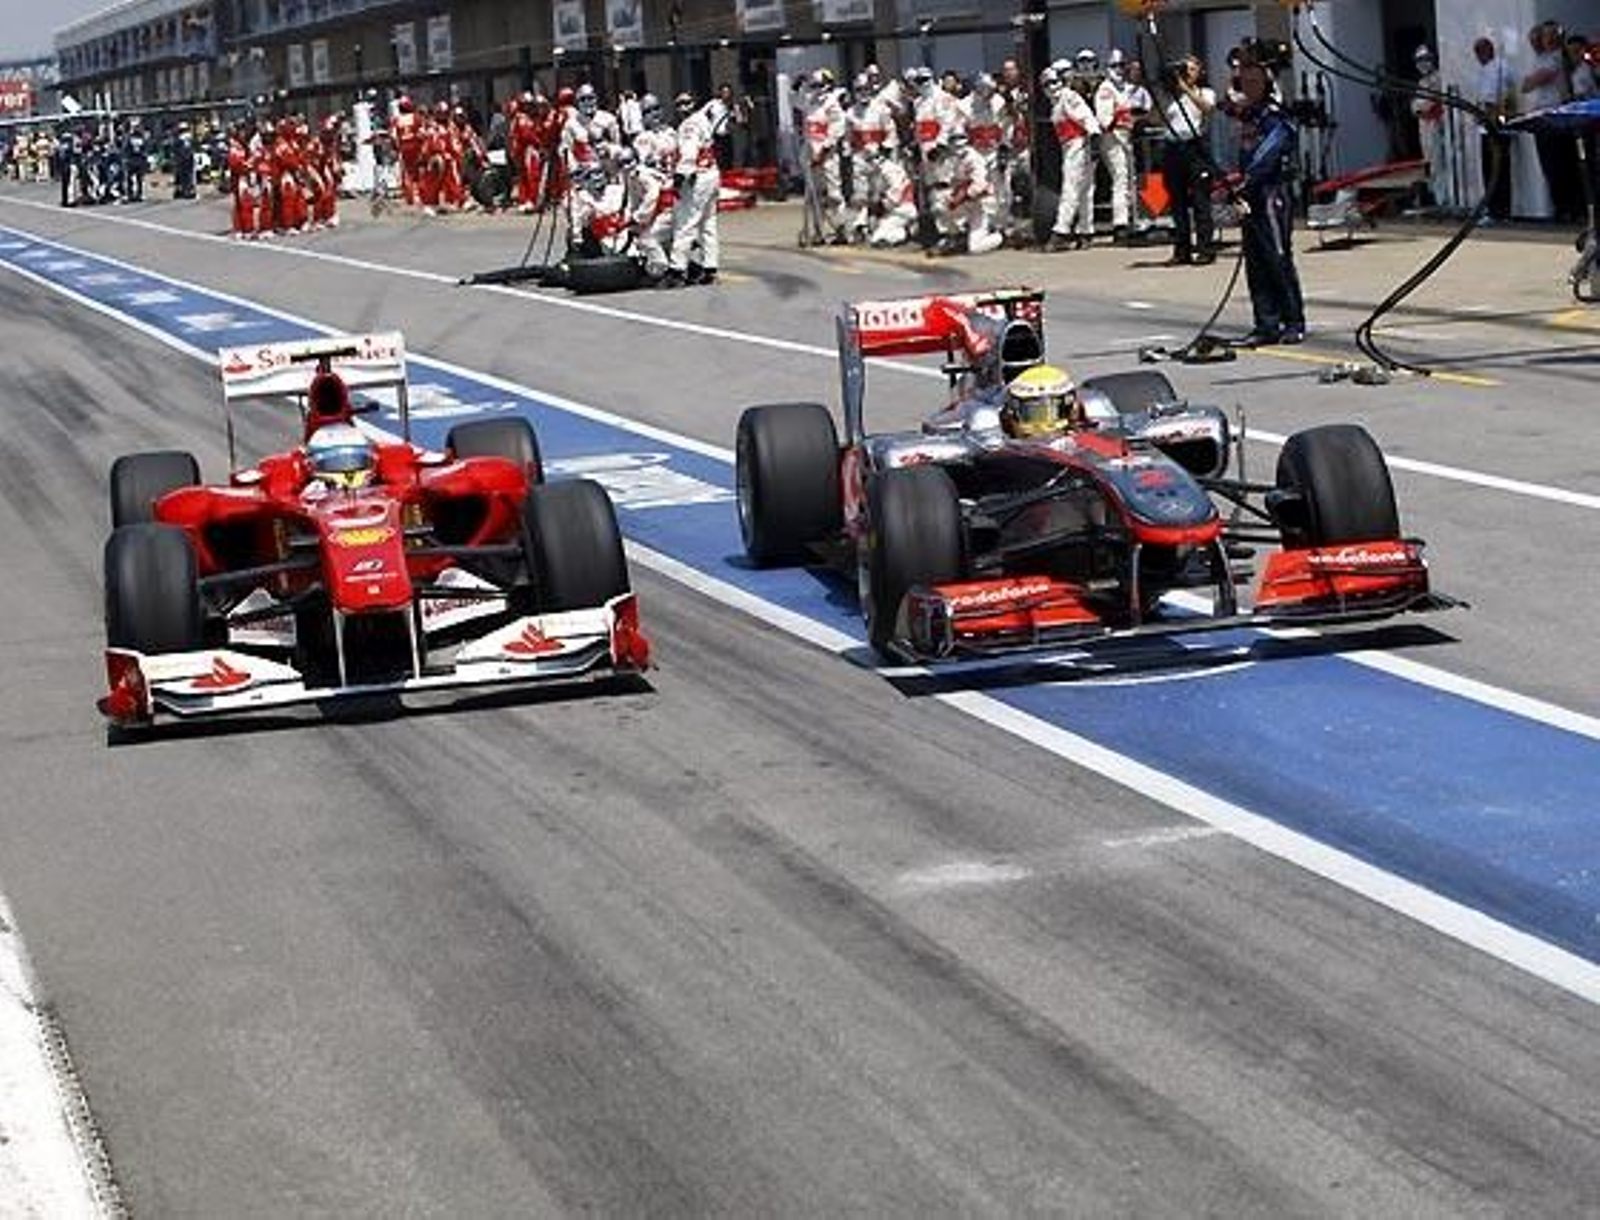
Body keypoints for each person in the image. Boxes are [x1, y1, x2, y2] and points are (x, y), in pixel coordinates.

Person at [1231, 57, 1305, 347]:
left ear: (1267, 83)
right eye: (1244, 82)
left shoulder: (1275, 116)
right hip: (1250, 195)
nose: (1248, 87)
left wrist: (1246, 181)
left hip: (1272, 194)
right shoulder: (1249, 116)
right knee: (1256, 262)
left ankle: (1293, 321)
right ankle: (1266, 323)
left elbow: (1269, 154)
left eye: (1254, 81)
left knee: (1278, 258)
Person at [1159, 55, 1217, 265]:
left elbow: (1207, 109)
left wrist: (1186, 89)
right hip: (1173, 147)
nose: (1187, 73)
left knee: (1201, 200)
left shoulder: (1204, 92)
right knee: (1177, 202)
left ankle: (1205, 248)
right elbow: (1157, 116)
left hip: (1195, 146)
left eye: (1191, 69)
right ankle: (1181, 249)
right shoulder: (1171, 96)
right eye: (1184, 70)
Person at [1523, 21, 1577, 221]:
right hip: (1544, 116)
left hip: (1556, 116)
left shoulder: (1556, 58)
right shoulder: (1541, 58)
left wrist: (1531, 80)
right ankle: (1560, 206)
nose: (1543, 40)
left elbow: (1531, 83)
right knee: (1549, 164)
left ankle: (1568, 207)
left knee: (1559, 163)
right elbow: (1526, 84)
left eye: (1548, 36)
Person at [667, 92, 721, 287]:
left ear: (693, 104)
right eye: (679, 103)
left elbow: (690, 152)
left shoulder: (689, 124)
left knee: (686, 223)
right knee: (708, 223)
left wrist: (680, 178)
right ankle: (710, 268)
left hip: (696, 177)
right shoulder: (702, 120)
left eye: (686, 103)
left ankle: (677, 270)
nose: (683, 107)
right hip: (712, 174)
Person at [1044, 64, 1100, 250]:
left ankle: (1061, 231)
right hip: (1070, 146)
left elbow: (1086, 117)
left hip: (1080, 144)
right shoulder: (1056, 103)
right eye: (1046, 84)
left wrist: (1094, 139)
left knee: (1071, 188)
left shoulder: (1069, 96)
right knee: (1084, 191)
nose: (1050, 87)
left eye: (1053, 82)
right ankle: (1086, 231)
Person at [1095, 49, 1148, 242]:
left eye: (1122, 65)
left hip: (1127, 138)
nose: (1120, 69)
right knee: (1121, 179)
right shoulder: (1106, 89)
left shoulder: (1125, 88)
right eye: (1115, 66)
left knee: (1130, 180)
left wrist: (1136, 117)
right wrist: (1120, 118)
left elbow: (1133, 112)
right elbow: (1104, 119)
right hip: (1113, 139)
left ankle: (1133, 218)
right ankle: (1120, 224)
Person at [1473, 37, 1513, 221]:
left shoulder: (1500, 68)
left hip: (1496, 125)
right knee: (1489, 169)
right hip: (1485, 126)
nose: (1478, 56)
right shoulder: (1483, 70)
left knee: (1498, 169)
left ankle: (1501, 210)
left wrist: (1491, 115)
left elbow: (1497, 99)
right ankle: (1494, 208)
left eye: (1480, 51)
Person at [1412, 46, 1452, 210]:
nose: (1422, 64)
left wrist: (1426, 110)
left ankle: (1444, 199)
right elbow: (1416, 106)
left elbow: (1435, 103)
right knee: (1429, 163)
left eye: (1425, 60)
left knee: (1439, 163)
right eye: (1419, 61)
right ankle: (1436, 197)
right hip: (1425, 128)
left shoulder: (1439, 77)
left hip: (1436, 126)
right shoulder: (1421, 82)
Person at [1000, 364, 1083, 439]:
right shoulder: (999, 448)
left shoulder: (1082, 444)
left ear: (1071, 411)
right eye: (1030, 413)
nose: (1041, 427)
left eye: (1049, 412)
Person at [306, 424, 377, 491]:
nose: (348, 465)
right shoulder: (313, 491)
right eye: (336, 461)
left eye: (353, 458)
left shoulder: (375, 484)